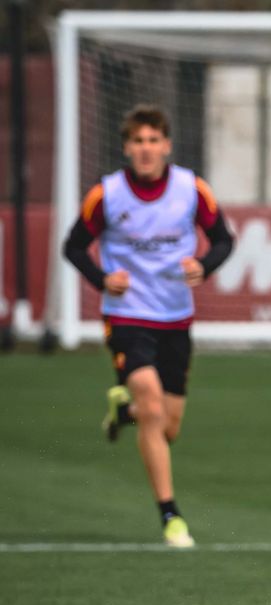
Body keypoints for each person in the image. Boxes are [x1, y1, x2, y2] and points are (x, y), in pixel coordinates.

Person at [62, 104, 235, 548]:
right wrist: (103, 279)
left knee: (167, 426)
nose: (146, 149)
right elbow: (74, 247)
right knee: (154, 408)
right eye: (137, 141)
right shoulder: (107, 194)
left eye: (153, 140)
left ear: (167, 145)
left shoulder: (190, 189)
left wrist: (204, 265)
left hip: (175, 317)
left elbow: (223, 240)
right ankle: (171, 516)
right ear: (126, 147)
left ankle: (125, 411)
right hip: (126, 317)